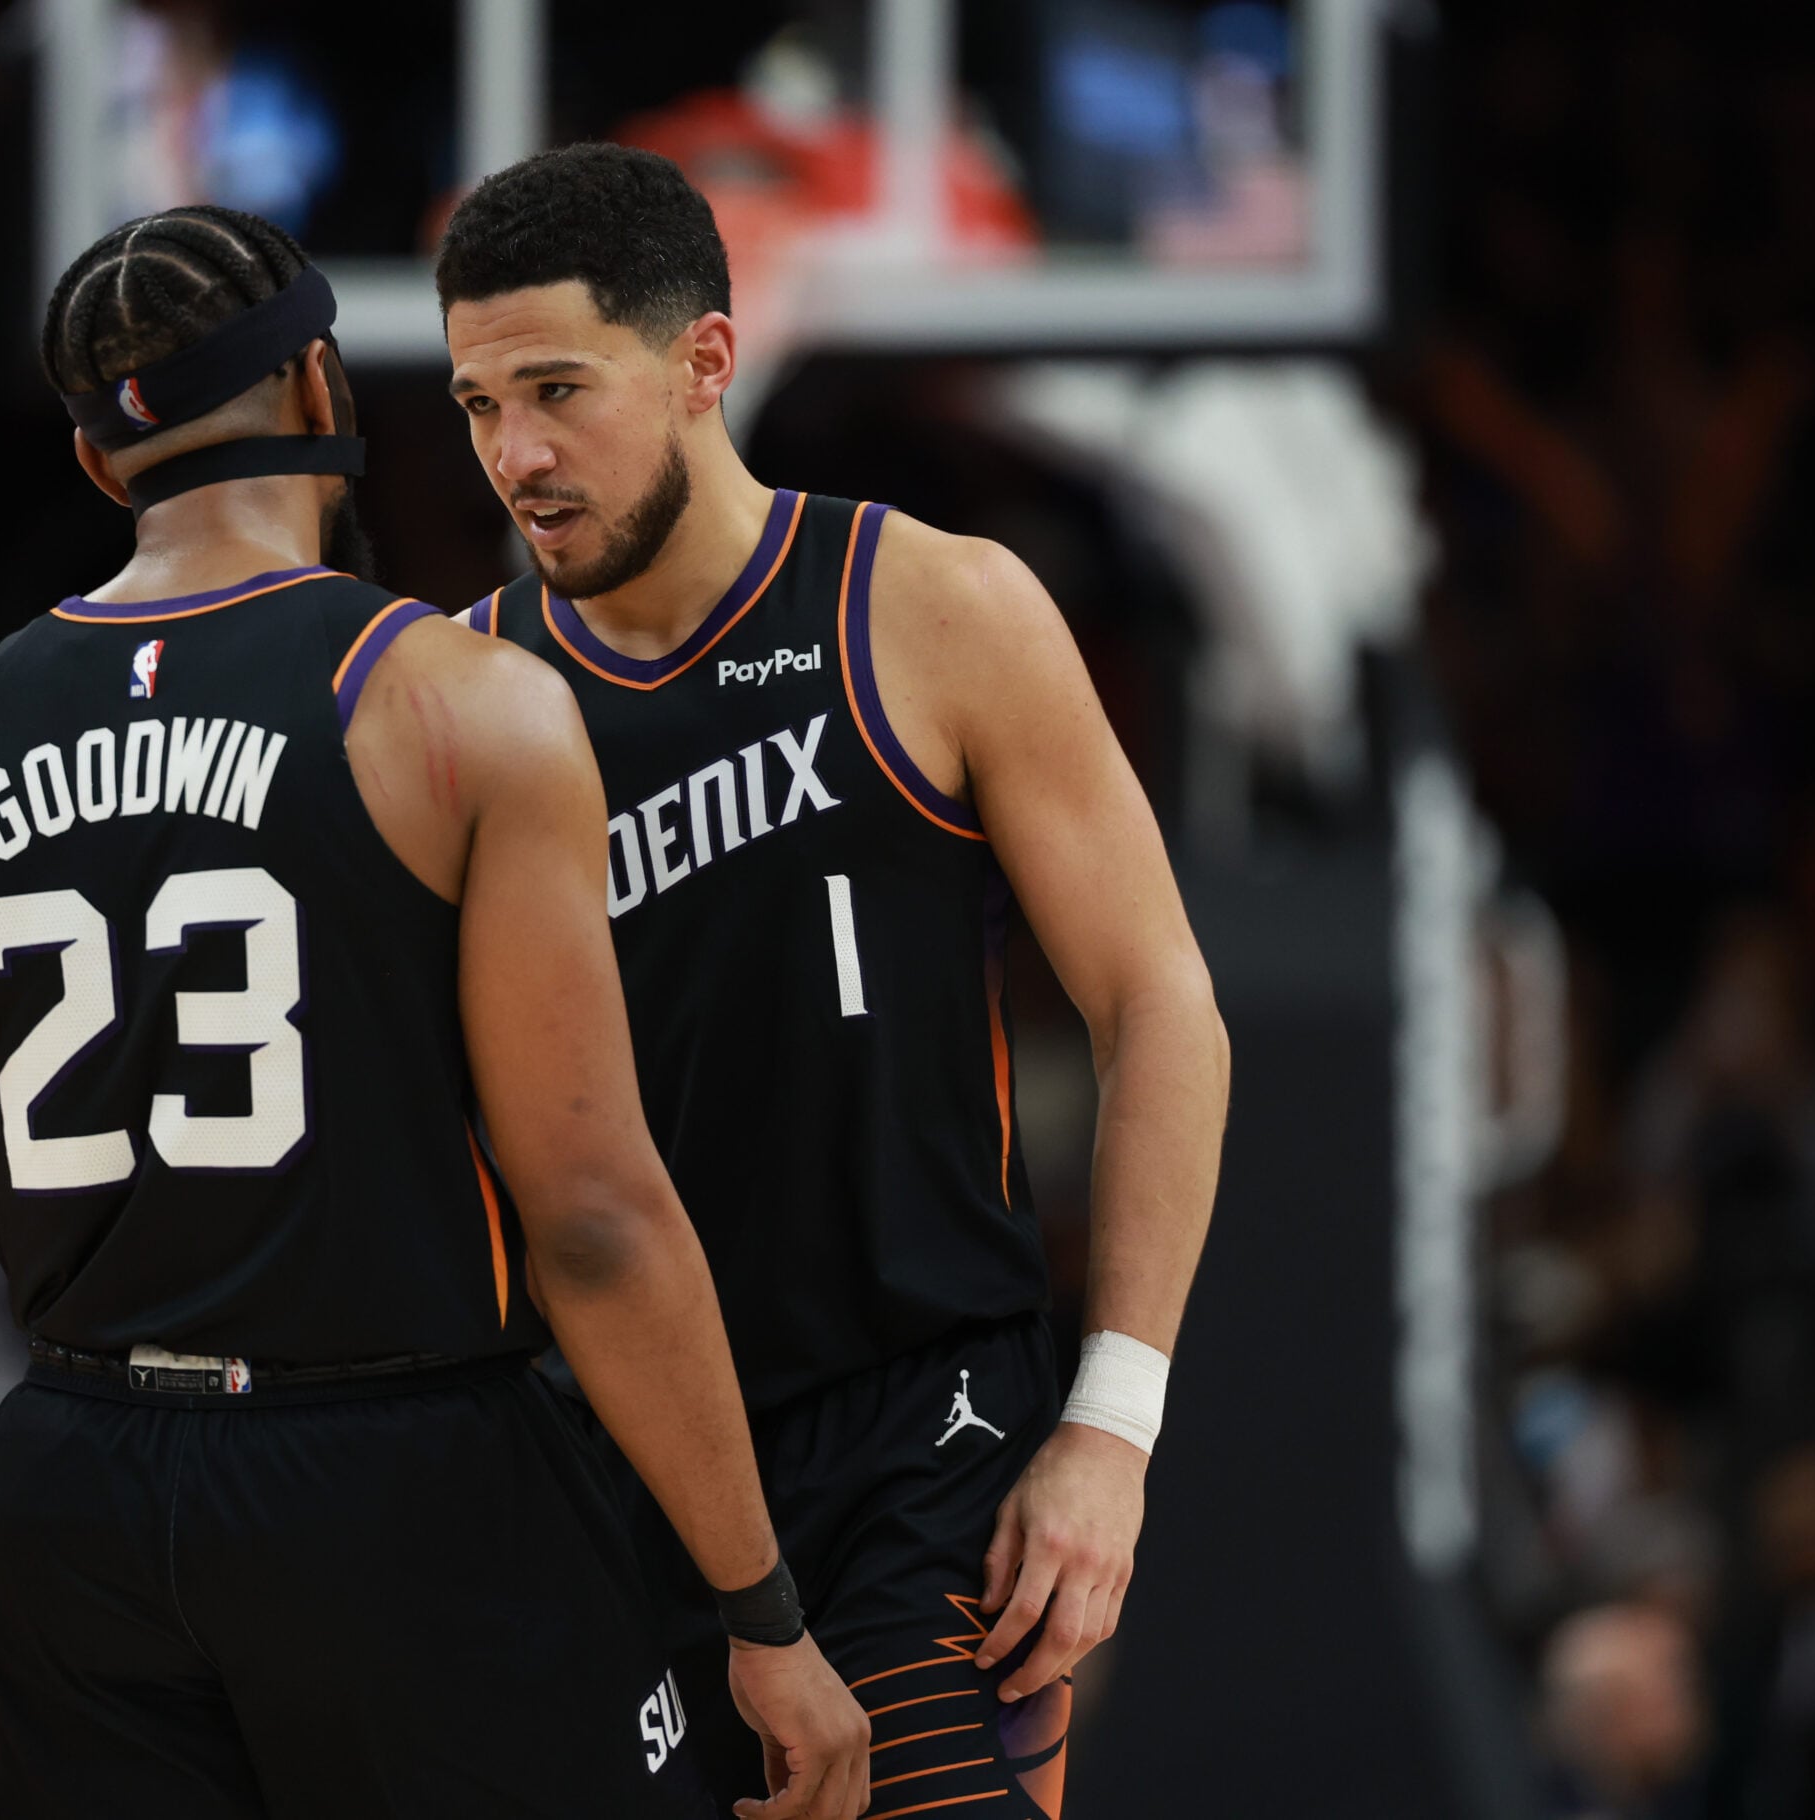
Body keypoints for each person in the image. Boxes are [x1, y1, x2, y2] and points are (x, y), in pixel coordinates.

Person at [0, 203, 870, 1820]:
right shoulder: (457, 706)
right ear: (322, 382)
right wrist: (764, 1611)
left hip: (80, 1483)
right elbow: (590, 1219)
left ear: (101, 465)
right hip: (395, 1467)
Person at [436, 144, 1231, 1817]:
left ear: (705, 363)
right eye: (477, 406)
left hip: (920, 1436)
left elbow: (1160, 1000)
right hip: (612, 1465)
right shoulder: (461, 700)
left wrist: (1112, 1430)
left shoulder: (932, 606)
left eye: (559, 391)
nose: (518, 455)